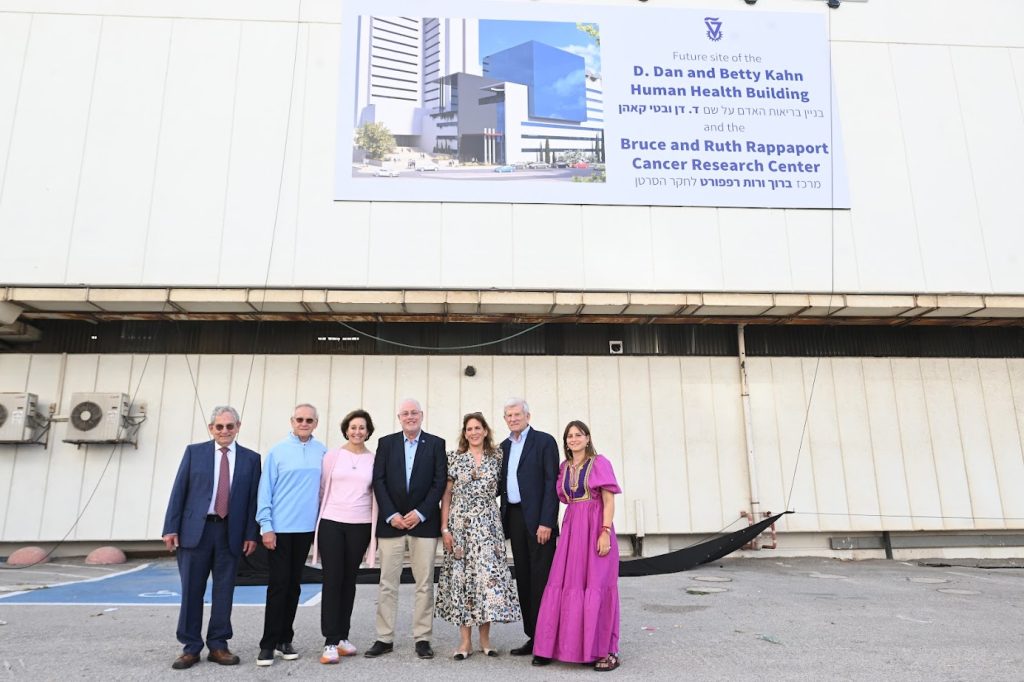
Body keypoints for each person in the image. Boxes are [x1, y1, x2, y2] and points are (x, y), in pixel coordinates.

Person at [162, 405, 261, 670]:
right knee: (192, 590)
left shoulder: (252, 459)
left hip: (231, 532)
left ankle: (218, 644)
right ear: (211, 428)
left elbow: (253, 501)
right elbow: (179, 490)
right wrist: (170, 528)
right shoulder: (195, 453)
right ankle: (190, 647)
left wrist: (252, 533)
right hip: (195, 531)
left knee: (224, 591)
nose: (225, 431)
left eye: (230, 426)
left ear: (238, 427)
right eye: (219, 426)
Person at [533, 421, 622, 671]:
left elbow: (608, 500)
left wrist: (604, 532)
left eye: (578, 435)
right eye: (569, 436)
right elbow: (564, 497)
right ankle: (570, 648)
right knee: (569, 585)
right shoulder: (565, 467)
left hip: (595, 527)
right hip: (573, 529)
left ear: (587, 438)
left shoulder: (600, 462)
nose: (573, 439)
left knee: (597, 585)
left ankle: (607, 650)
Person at [365, 398, 447, 660]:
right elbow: (378, 480)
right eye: (405, 413)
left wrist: (420, 512)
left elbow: (439, 482)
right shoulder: (386, 444)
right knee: (388, 583)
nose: (410, 417)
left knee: (424, 583)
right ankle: (384, 637)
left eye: (414, 413)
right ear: (399, 417)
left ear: (422, 415)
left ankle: (422, 638)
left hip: (424, 524)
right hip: (392, 525)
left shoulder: (436, 444)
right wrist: (391, 515)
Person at [437, 412, 521, 659]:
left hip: (488, 526)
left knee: (487, 581)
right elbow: (447, 496)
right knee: (463, 580)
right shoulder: (454, 458)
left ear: (485, 431)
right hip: (460, 526)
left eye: (477, 428)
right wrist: (445, 529)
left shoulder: (497, 458)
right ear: (465, 433)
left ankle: (485, 640)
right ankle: (465, 642)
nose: (473, 432)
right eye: (469, 429)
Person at [255, 404, 327, 666]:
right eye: (300, 419)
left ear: (315, 423)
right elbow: (266, 490)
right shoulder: (277, 451)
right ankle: (267, 644)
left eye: (309, 420)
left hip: (306, 530)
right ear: (292, 421)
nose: (304, 423)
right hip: (280, 530)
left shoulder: (322, 451)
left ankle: (285, 638)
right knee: (278, 586)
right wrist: (266, 525)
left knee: (294, 586)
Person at [312, 409, 378, 664]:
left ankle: (342, 638)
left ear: (368, 431)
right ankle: (329, 640)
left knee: (348, 581)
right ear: (346, 429)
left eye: (362, 427)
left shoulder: (374, 459)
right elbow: (320, 490)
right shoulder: (332, 456)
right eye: (353, 427)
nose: (357, 431)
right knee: (332, 580)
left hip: (359, 524)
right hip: (331, 522)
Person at [498, 398, 560, 657]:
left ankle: (548, 641)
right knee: (523, 578)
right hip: (513, 516)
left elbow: (551, 484)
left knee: (542, 579)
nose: (513, 419)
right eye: (509, 416)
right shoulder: (503, 446)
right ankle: (533, 636)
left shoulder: (544, 442)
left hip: (538, 521)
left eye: (517, 414)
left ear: (527, 416)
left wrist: (547, 521)